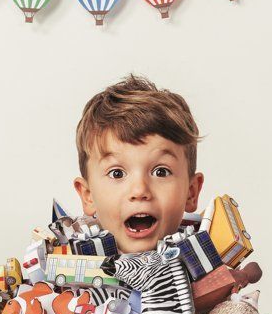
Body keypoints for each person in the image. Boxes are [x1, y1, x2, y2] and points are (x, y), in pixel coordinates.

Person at [73, 74, 205, 254]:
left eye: (161, 172)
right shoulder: (67, 264)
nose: (139, 191)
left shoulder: (208, 260)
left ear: (191, 192)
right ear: (88, 195)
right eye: (117, 173)